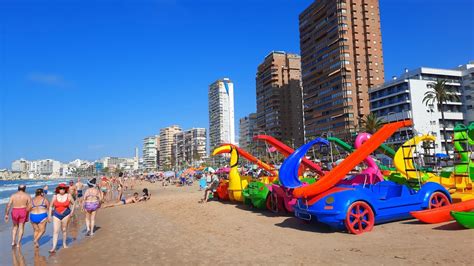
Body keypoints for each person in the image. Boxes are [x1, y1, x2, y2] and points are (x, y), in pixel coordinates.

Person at [48, 183, 75, 253]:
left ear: (65, 189)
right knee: (55, 231)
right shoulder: (54, 196)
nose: (62, 190)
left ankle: (64, 244)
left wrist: (72, 212)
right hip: (56, 214)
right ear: (58, 189)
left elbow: (74, 203)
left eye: (63, 188)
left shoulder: (68, 195)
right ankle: (53, 247)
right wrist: (49, 215)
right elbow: (51, 206)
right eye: (60, 188)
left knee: (64, 229)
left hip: (66, 214)